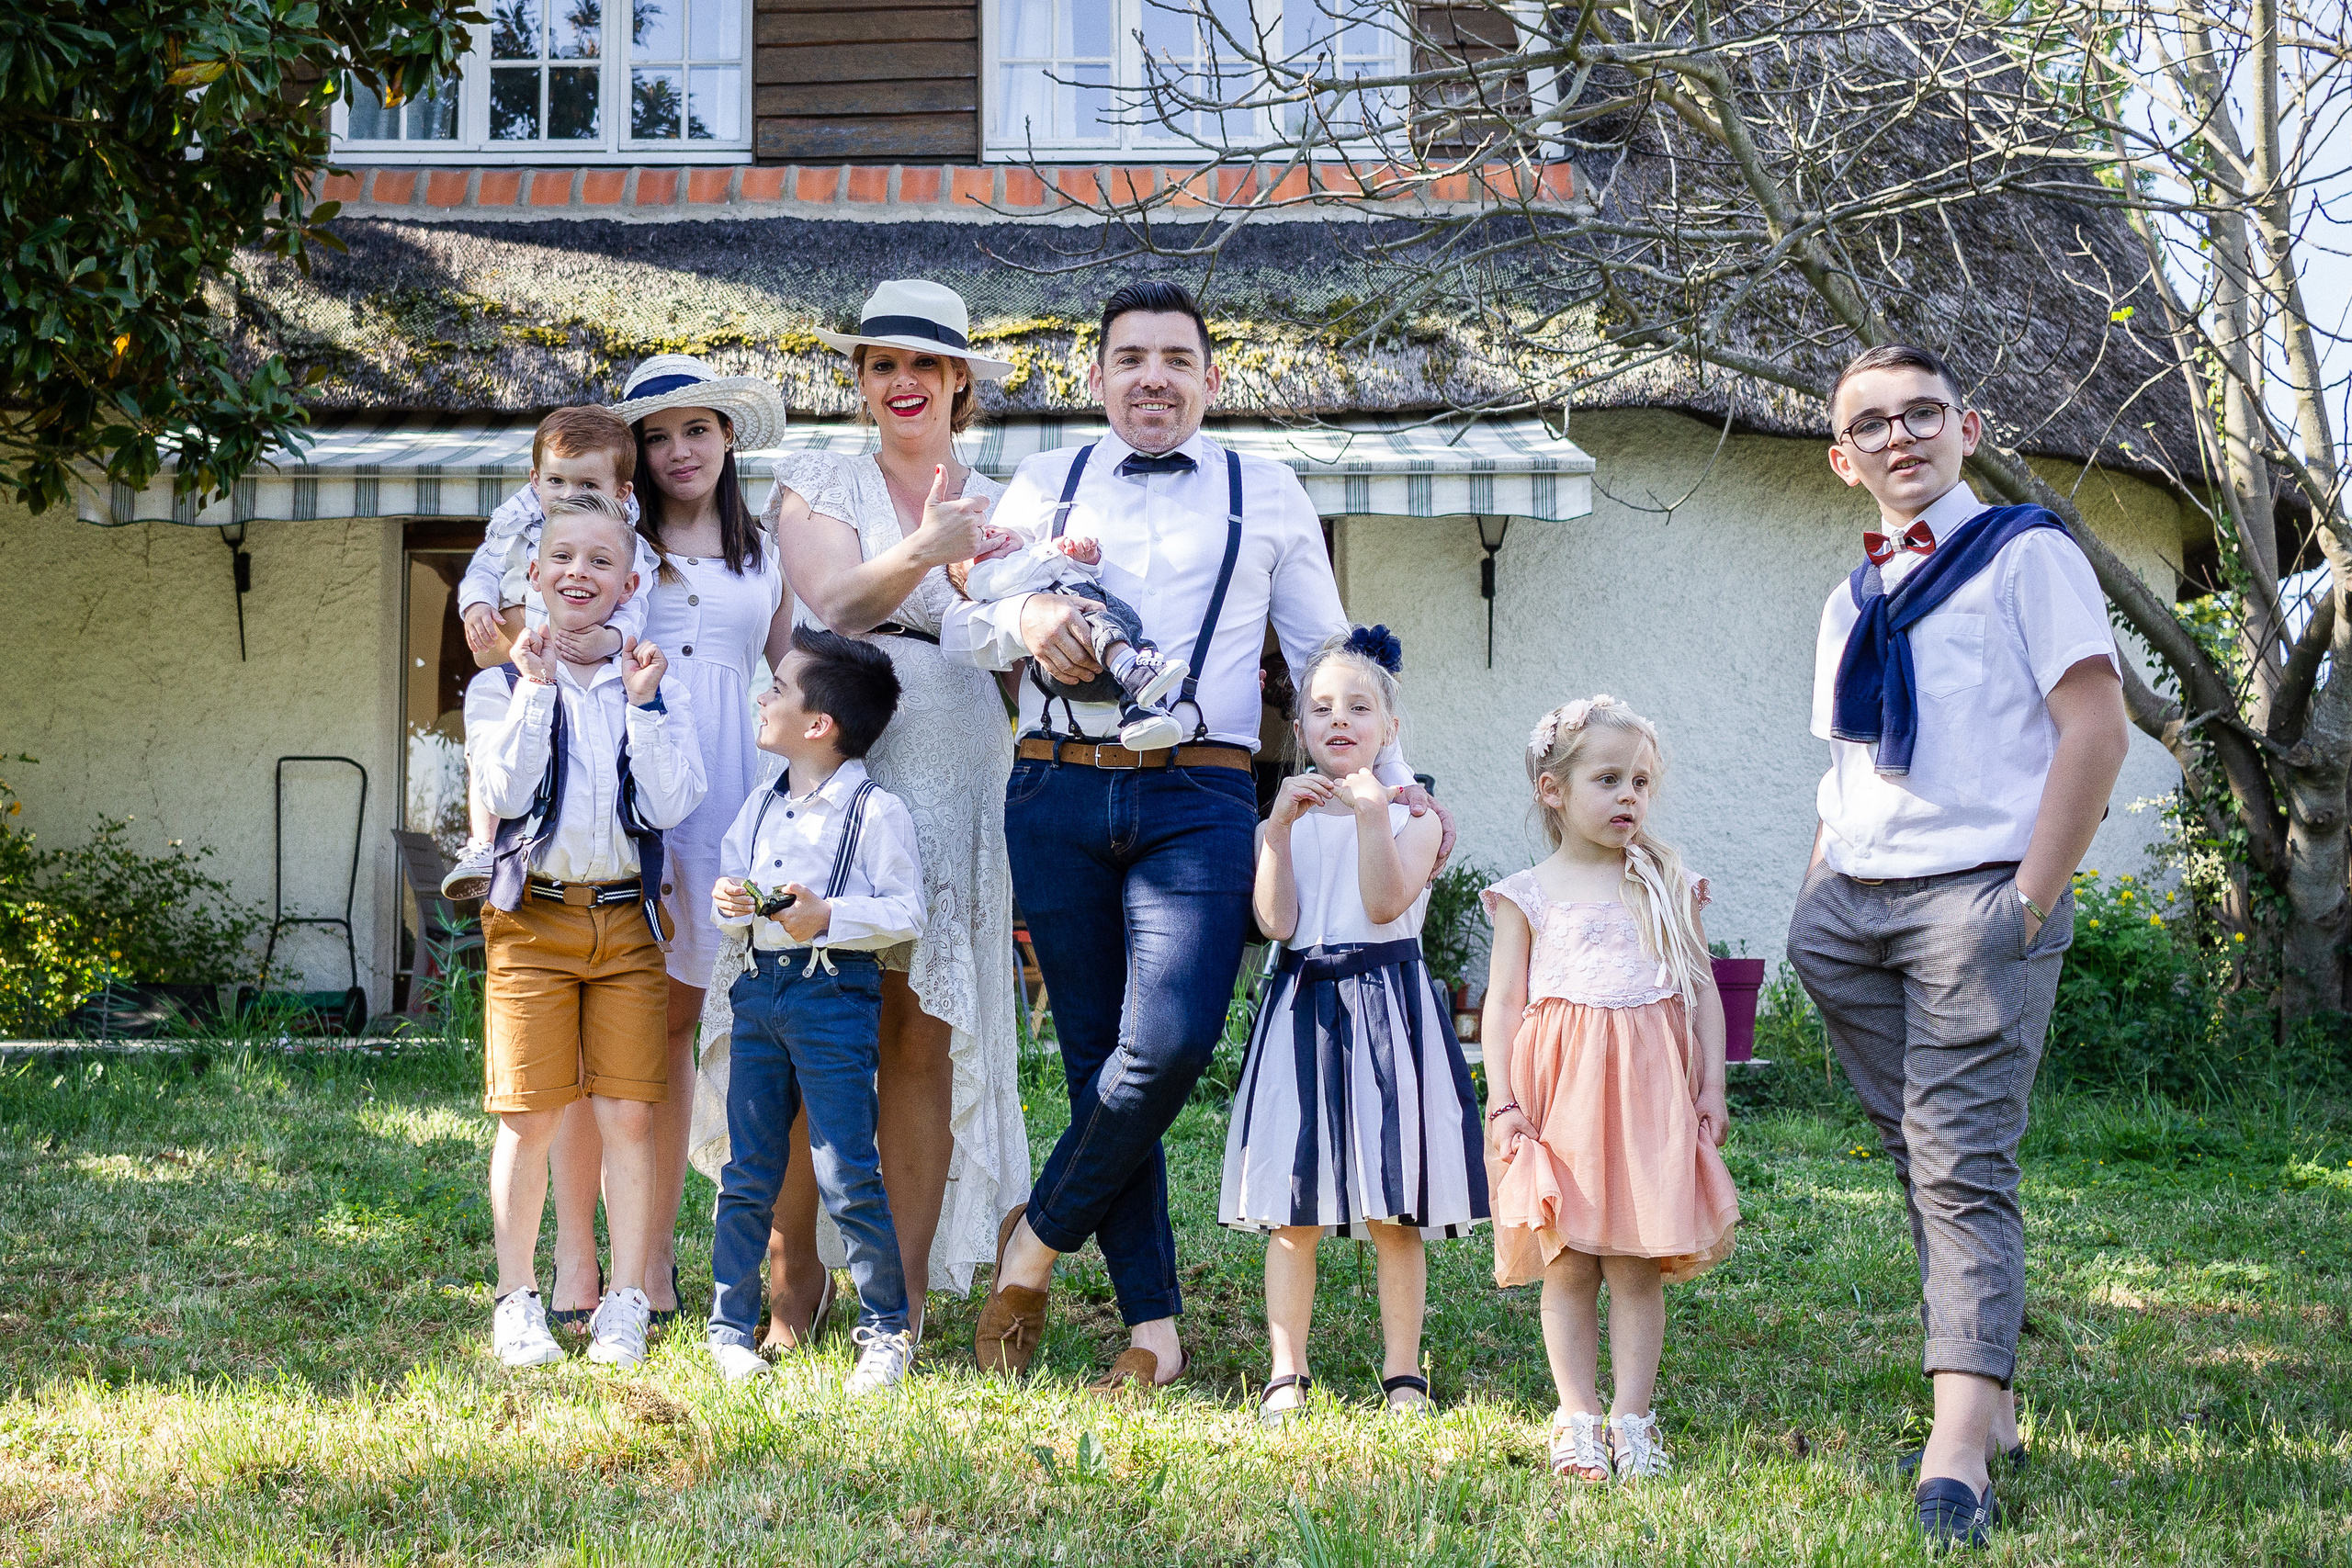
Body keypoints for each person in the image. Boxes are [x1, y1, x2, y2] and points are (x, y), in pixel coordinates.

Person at [947, 278, 1454, 1392]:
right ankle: (1155, 1333)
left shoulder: (1267, 491)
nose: (1152, 378)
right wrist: (1025, 617)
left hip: (1202, 793)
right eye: (1129, 358)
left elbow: (1333, 654)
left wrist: (1405, 789)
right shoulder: (1040, 483)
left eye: (1176, 359)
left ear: (1211, 380)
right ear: (1096, 379)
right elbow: (971, 612)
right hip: (1056, 787)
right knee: (1093, 1060)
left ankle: (1033, 1244)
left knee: (1169, 1044)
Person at [1787, 343, 2130, 1548]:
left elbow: (2096, 725)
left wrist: (2030, 898)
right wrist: (1817, 893)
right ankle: (1992, 1392)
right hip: (1853, 915)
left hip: (1977, 903)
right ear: (1843, 459)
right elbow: (1848, 763)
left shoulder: (2027, 554)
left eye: (1922, 413)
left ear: (1966, 425)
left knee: (1960, 1164)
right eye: (1871, 424)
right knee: (1924, 1156)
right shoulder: (1855, 592)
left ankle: (1959, 1447)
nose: (1900, 436)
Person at [695, 279, 1029, 1354]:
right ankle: (795, 1287)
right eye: (881, 364)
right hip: (832, 752)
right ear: (860, 381)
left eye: (924, 366)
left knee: (918, 1034)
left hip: (956, 761)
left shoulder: (1009, 496)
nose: (901, 383)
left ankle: (911, 1291)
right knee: (802, 1019)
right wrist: (934, 549)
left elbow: (1017, 635)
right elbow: (835, 607)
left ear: (959, 384)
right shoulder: (819, 480)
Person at [530, 357, 795, 1336]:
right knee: (588, 1033)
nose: (680, 449)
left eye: (699, 429)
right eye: (659, 433)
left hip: (725, 801)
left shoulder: (762, 552)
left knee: (672, 1036)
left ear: (728, 441)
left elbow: (797, 669)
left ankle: (651, 1260)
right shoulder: (607, 548)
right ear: (634, 454)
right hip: (621, 800)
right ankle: (574, 1260)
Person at [1218, 626, 1486, 1423]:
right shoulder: (1291, 817)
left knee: (1392, 1206)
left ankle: (1404, 1371)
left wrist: (1373, 815)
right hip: (1303, 1009)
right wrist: (1274, 833)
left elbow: (1380, 903)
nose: (1341, 719)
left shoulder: (1419, 818)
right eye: (1322, 707)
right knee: (1293, 1205)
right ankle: (1284, 1370)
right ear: (1298, 728)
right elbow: (1276, 921)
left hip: (1387, 1017)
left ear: (1390, 729)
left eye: (1359, 706)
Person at [468, 492, 707, 1371]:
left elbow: (675, 800)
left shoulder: (655, 684)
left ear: (630, 582)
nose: (580, 572)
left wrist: (643, 706)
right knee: (529, 1116)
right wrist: (534, 689)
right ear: (533, 574)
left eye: (601, 561)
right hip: (533, 922)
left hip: (627, 924)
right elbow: (501, 789)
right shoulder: (498, 686)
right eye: (562, 557)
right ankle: (517, 1297)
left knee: (629, 1117)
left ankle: (628, 1300)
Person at [1480, 695, 1737, 1483]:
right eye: (1609, 778)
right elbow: (1504, 1003)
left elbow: (1700, 990)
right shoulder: (1530, 891)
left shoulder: (1664, 881)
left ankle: (1633, 1413)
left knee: (1634, 1261)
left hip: (1649, 1100)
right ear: (1553, 790)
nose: (1630, 795)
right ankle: (1577, 1413)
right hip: (1562, 1101)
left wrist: (1713, 1084)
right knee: (1571, 1260)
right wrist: (1503, 1099)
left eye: (1642, 781)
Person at [707, 628, 926, 1396]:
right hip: (759, 989)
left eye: (777, 690)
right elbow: (730, 886)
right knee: (748, 1168)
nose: (763, 698)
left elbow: (905, 910)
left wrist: (828, 914)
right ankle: (729, 1328)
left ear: (818, 724)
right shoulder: (762, 804)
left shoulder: (874, 809)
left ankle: (887, 1327)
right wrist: (733, 901)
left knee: (846, 1167)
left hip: (833, 995)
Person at [443, 406, 662, 900]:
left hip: (578, 668)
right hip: (523, 659)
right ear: (536, 481)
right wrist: (476, 604)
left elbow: (635, 603)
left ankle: (560, 852)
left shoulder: (626, 545)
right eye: (557, 482)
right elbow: (483, 568)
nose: (569, 496)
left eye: (587, 486)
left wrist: (610, 640)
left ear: (620, 492)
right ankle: (482, 843)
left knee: (566, 761)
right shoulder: (518, 524)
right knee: (491, 746)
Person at [962, 531, 1191, 750]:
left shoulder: (1035, 554)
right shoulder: (985, 574)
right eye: (982, 540)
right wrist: (1053, 551)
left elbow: (1090, 570)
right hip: (1071, 638)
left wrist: (1086, 557)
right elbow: (1010, 580)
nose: (990, 534)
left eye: (991, 528)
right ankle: (1133, 672)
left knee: (1144, 650)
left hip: (1109, 620)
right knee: (1101, 630)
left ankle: (1143, 717)